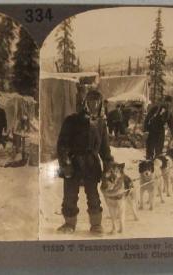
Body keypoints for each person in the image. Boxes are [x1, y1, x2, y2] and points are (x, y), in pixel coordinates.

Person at [56, 89, 114, 234]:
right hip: (74, 163)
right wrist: (65, 163)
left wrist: (109, 166)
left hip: (91, 164)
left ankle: (96, 225)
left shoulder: (101, 124)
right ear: (85, 103)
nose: (94, 104)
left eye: (97, 101)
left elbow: (105, 149)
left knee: (93, 195)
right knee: (70, 195)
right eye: (90, 101)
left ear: (100, 104)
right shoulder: (72, 120)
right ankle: (69, 224)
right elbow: (62, 145)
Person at [144, 95, 173, 160]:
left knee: (159, 152)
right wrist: (146, 130)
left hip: (160, 133)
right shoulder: (155, 108)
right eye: (167, 102)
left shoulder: (168, 113)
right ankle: (148, 165)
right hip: (152, 131)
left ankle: (157, 165)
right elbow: (147, 119)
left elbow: (171, 125)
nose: (168, 104)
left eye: (169, 102)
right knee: (150, 150)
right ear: (164, 101)